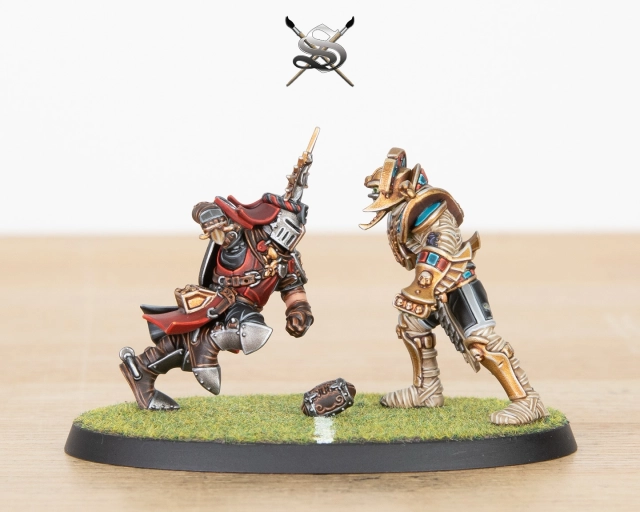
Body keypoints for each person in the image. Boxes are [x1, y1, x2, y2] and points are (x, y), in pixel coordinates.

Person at [360, 148, 547, 425]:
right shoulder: (409, 213)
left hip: (459, 285)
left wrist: (424, 282)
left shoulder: (430, 212)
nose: (376, 197)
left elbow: (442, 244)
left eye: (379, 191)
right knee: (412, 323)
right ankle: (426, 389)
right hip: (436, 291)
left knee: (482, 343)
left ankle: (527, 400)